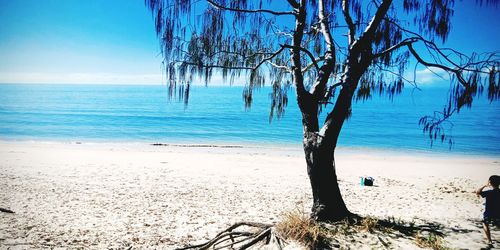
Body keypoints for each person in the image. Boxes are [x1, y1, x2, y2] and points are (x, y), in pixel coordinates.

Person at [476, 175, 500, 245]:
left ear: (490, 182)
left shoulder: (489, 192)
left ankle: (489, 240)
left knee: (485, 224)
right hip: (498, 213)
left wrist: (485, 186)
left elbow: (478, 192)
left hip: (489, 213)